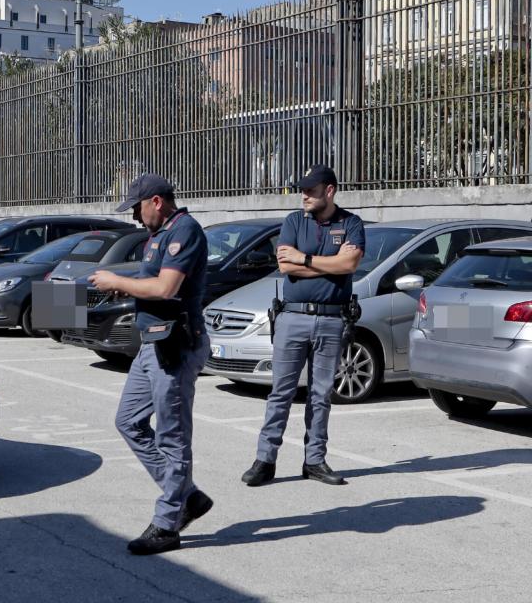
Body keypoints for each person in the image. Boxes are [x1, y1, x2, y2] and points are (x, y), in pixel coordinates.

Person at [90, 173, 212, 556]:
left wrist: (117, 281)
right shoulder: (157, 235)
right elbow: (149, 279)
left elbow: (165, 288)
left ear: (156, 202)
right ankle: (187, 496)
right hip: (152, 344)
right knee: (128, 421)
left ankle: (167, 523)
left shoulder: (185, 231)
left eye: (138, 208)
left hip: (175, 345)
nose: (135, 218)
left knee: (172, 438)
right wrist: (118, 281)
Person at [242, 164, 365, 488]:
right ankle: (265, 460)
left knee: (321, 394)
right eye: (303, 189)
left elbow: (349, 264)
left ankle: (314, 460)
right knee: (280, 392)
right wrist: (329, 266)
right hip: (293, 317)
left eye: (310, 190)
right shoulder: (294, 221)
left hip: (331, 318)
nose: (304, 195)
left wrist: (306, 259)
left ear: (329, 190)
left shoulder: (350, 222)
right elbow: (285, 266)